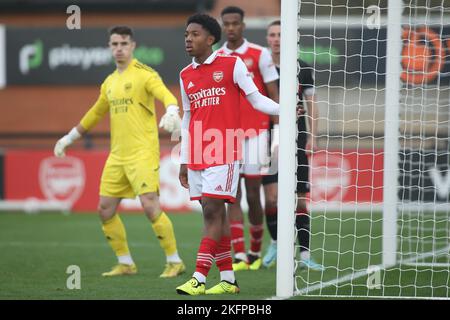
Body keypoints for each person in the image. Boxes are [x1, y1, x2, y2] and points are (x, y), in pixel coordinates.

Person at [53, 25, 186, 278]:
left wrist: (171, 110)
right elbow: (95, 113)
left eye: (123, 43)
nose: (119, 48)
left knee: (149, 206)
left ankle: (174, 261)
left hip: (142, 153)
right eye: (114, 44)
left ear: (133, 46)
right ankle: (126, 263)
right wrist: (68, 138)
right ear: (109, 48)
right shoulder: (110, 82)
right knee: (105, 209)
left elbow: (166, 95)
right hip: (117, 156)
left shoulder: (145, 74)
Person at [175, 13, 279, 295]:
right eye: (186, 34)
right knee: (214, 214)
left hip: (225, 149)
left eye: (194, 34)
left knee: (211, 209)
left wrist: (284, 111)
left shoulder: (231, 64)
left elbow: (256, 98)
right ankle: (229, 279)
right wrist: (184, 160)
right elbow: (187, 118)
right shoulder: (185, 75)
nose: (188, 38)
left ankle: (198, 277)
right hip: (196, 152)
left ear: (210, 39)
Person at [217, 6, 280, 271]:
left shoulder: (260, 53)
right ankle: (240, 253)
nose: (231, 28)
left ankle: (255, 250)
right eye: (227, 24)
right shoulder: (216, 57)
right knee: (232, 194)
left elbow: (273, 94)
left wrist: (277, 131)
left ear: (243, 25)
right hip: (227, 134)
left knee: (254, 194)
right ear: (222, 26)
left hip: (256, 133)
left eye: (235, 23)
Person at [261, 20, 324, 271]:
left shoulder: (302, 68)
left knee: (299, 198)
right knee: (272, 197)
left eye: (280, 34)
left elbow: (312, 105)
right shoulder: (260, 69)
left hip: (297, 137)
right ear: (267, 39)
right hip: (267, 138)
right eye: (272, 34)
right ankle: (276, 242)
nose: (276, 39)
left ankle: (305, 254)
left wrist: (314, 136)